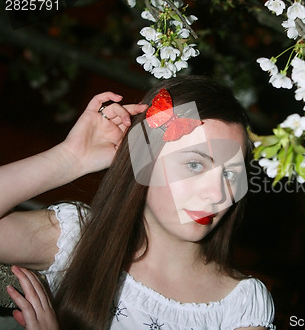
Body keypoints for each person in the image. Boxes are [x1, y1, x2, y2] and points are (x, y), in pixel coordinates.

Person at [0, 75, 276, 330]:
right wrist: (69, 158)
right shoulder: (77, 239)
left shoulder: (240, 304)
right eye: (194, 164)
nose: (218, 194)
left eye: (230, 173)